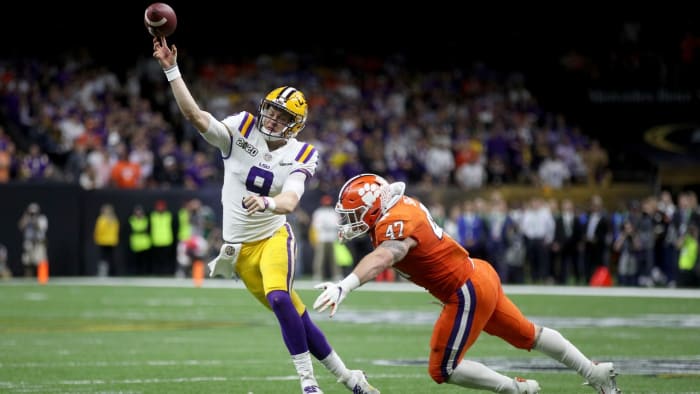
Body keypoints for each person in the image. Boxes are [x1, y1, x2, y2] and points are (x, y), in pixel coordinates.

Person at [151, 36, 379, 394]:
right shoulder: (241, 127)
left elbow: (290, 201)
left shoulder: (302, 153)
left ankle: (308, 383)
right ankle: (351, 379)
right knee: (296, 315)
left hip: (273, 235)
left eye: (282, 115)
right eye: (271, 109)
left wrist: (267, 203)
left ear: (296, 124)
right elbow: (194, 116)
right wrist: (171, 69)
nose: (272, 117)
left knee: (278, 297)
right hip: (240, 250)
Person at [313, 173, 621, 394]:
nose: (349, 222)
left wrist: (346, 285)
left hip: (465, 289)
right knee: (528, 334)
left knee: (442, 369)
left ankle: (515, 390)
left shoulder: (396, 221)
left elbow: (387, 255)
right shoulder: (399, 207)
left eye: (354, 215)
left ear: (375, 207)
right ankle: (595, 372)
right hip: (477, 274)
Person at [18, 202, 48, 277]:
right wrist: (26, 218)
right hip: (29, 242)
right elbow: (20, 226)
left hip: (39, 243)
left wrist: (35, 220)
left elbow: (41, 228)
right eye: (31, 212)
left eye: (34, 213)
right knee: (27, 262)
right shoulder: (27, 218)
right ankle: (28, 277)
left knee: (41, 261)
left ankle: (42, 278)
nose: (32, 214)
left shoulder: (42, 218)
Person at [93, 203, 121, 277]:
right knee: (109, 257)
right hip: (110, 241)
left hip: (104, 241)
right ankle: (110, 273)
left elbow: (99, 230)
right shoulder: (114, 219)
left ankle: (105, 273)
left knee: (104, 257)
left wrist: (96, 238)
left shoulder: (102, 219)